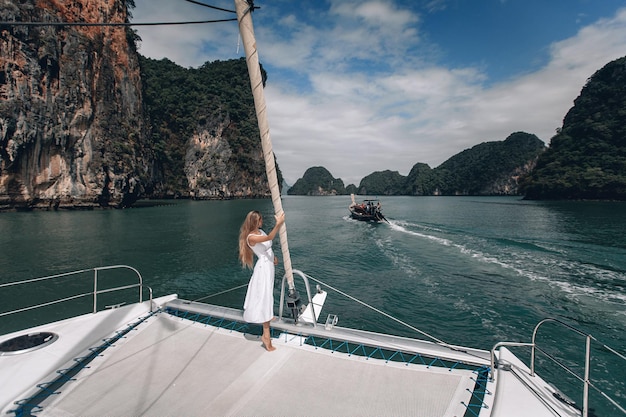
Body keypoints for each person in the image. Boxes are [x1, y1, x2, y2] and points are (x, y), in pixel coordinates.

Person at [238, 210, 285, 352]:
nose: (261, 221)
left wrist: (273, 257)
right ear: (254, 221)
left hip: (269, 266)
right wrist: (279, 224)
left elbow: (267, 247)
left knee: (267, 294)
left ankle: (268, 316)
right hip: (263, 268)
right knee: (264, 297)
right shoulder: (251, 237)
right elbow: (271, 236)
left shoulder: (260, 231)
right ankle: (266, 336)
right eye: (259, 219)